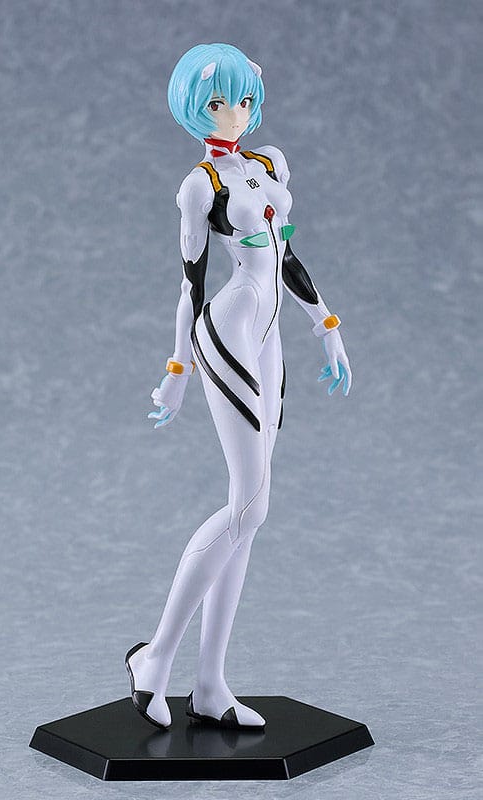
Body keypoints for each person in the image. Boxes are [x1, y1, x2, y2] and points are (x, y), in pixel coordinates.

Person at [125, 43, 352, 731]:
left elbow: (287, 256)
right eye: (220, 101)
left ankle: (210, 684)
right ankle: (155, 657)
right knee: (249, 506)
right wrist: (176, 370)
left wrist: (327, 325)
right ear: (195, 108)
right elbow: (190, 283)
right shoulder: (201, 186)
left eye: (245, 99)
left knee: (248, 515)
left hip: (271, 332)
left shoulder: (268, 163)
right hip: (228, 327)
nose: (235, 113)